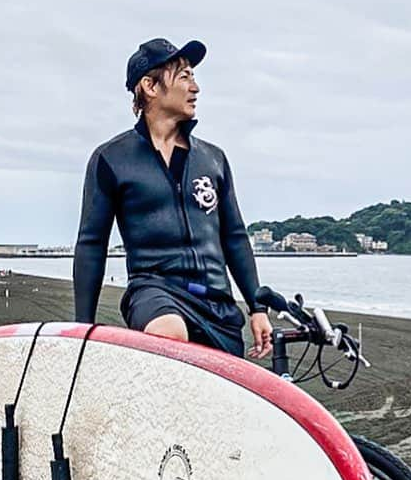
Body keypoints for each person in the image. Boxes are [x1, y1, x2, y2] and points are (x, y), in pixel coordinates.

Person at [73, 37, 272, 359]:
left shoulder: (213, 159)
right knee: (170, 332)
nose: (195, 87)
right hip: (154, 292)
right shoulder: (112, 159)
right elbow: (91, 243)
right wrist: (83, 327)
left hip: (217, 304)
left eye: (193, 77)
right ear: (150, 86)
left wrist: (256, 306)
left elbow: (234, 236)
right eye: (185, 76)